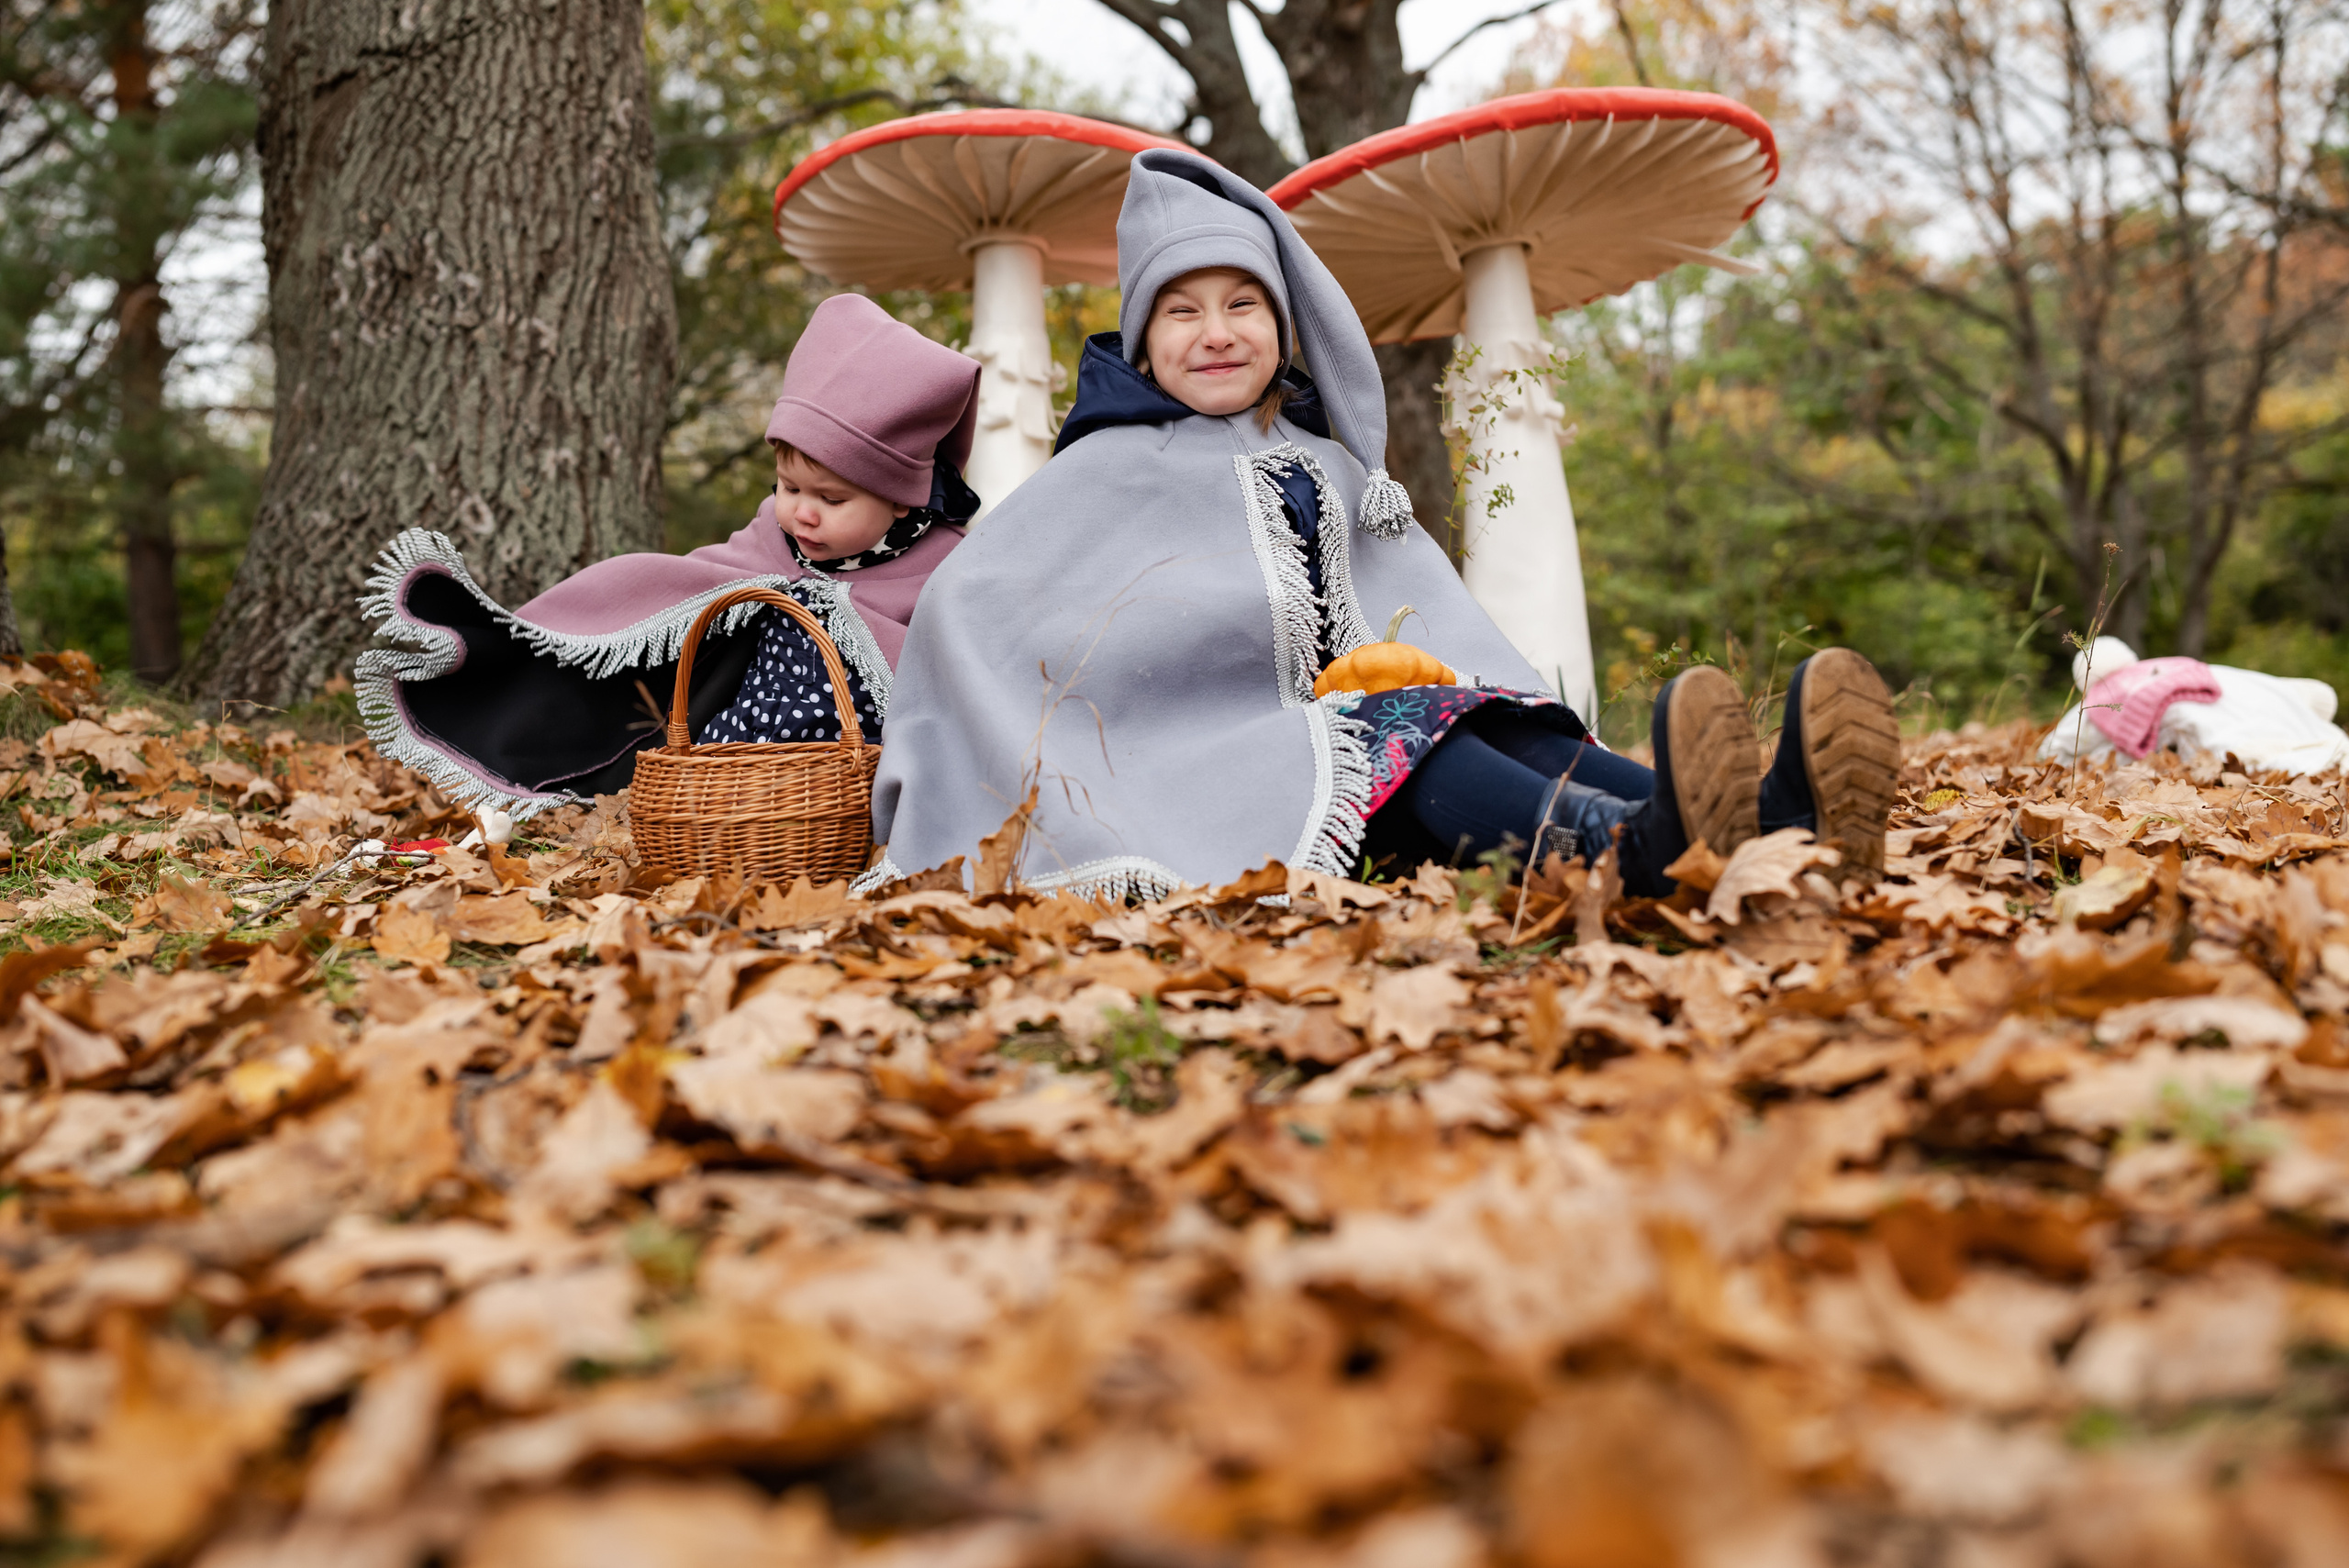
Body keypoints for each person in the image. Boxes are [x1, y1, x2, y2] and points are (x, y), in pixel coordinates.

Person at [865, 150, 1902, 899]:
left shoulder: (1325, 462)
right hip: (1199, 769)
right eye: (1182, 311)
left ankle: (1772, 822)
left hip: (1337, 737)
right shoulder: (1100, 472)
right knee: (1390, 734)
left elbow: (1412, 612)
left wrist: (1440, 680)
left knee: (1477, 714)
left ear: (1282, 323)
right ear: (1140, 344)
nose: (1217, 333)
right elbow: (979, 599)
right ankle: (1620, 852)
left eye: (1243, 305)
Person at [357, 294, 981, 821]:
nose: (803, 513)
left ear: (901, 501)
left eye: (831, 498)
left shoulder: (938, 564)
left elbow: (957, 671)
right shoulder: (775, 537)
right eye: (789, 488)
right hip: (725, 759)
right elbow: (696, 587)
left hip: (840, 785)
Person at [2039, 636, 2349, 776]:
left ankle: (2291, 718)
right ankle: (2289, 698)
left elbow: (2055, 747)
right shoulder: (2167, 665)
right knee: (2232, 704)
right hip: (2227, 685)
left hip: (2187, 712)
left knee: (2219, 734)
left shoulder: (2099, 699)